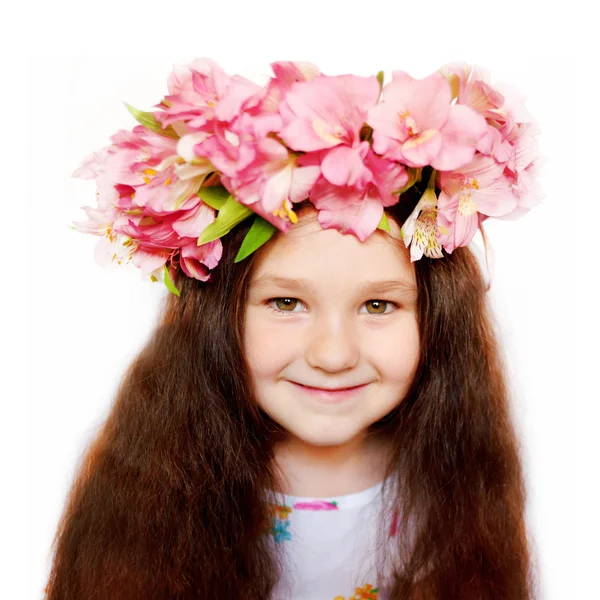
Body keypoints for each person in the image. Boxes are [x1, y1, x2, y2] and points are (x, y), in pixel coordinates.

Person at [45, 58, 542, 599]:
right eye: (286, 302)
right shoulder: (157, 495)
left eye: (378, 306)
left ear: (438, 318)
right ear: (218, 317)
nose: (333, 355)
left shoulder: (450, 490)